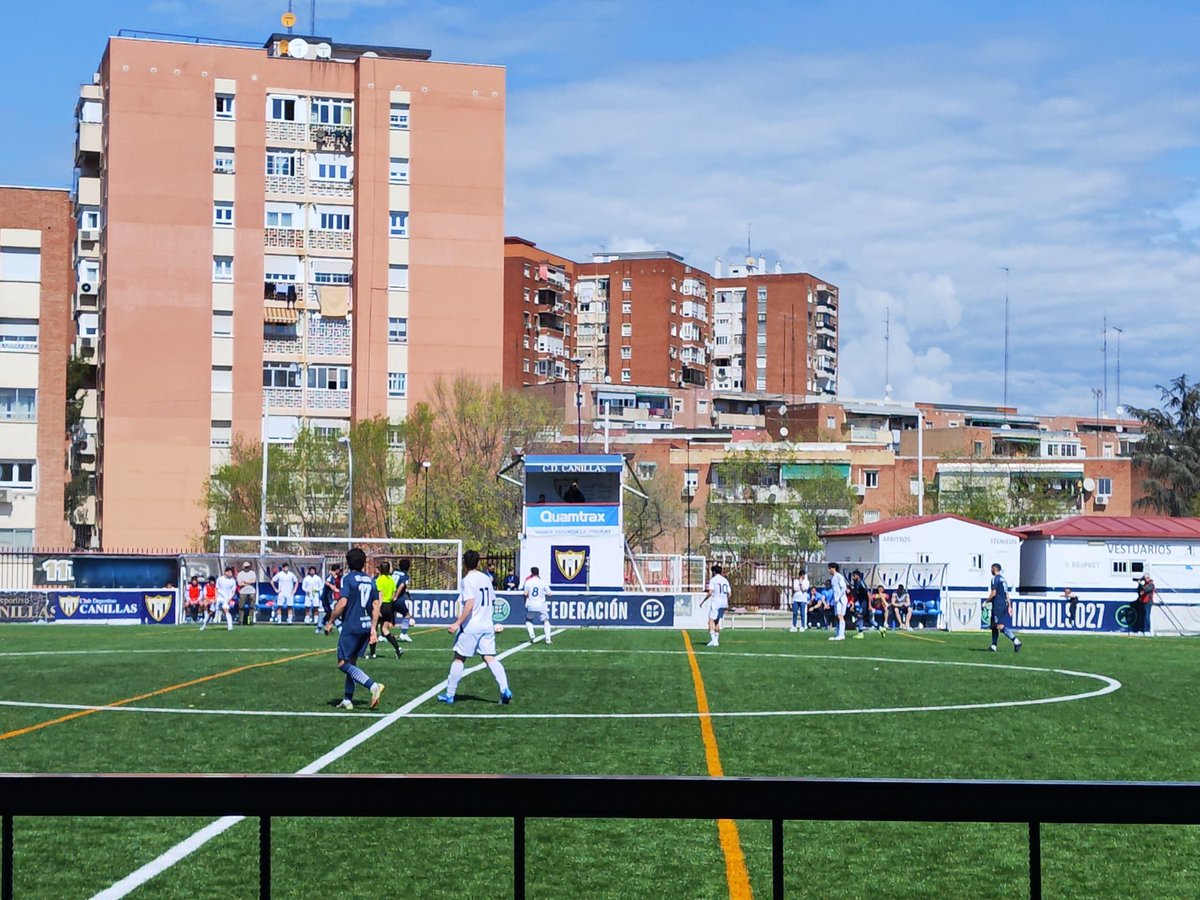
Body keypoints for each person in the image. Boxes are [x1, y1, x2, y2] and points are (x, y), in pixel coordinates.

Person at [437, 549, 512, 705]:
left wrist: (457, 623)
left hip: (471, 626)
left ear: (464, 563)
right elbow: (492, 600)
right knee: (489, 657)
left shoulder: (467, 580)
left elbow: (470, 603)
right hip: (487, 625)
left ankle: (450, 694)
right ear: (478, 562)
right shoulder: (486, 578)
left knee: (459, 658)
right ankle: (505, 688)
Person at [324, 547, 385, 710]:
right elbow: (376, 604)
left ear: (348, 562)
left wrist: (330, 621)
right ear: (363, 563)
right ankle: (347, 699)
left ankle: (373, 686)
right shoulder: (370, 580)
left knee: (343, 664)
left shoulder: (348, 579)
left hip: (352, 626)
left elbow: (342, 603)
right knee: (352, 663)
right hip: (365, 626)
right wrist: (373, 629)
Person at [370, 560, 403, 659]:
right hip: (389, 606)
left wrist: (378, 609)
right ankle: (398, 648)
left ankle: (372, 653)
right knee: (385, 629)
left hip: (381, 605)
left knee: (374, 628)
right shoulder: (391, 580)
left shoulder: (379, 580)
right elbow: (393, 595)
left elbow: (379, 595)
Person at [987, 562, 1022, 652]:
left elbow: (994, 593)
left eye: (991, 569)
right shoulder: (1003, 579)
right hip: (1003, 604)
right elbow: (1007, 594)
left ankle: (1016, 641)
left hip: (998, 605)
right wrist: (1009, 606)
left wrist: (986, 601)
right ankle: (993, 646)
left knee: (1000, 626)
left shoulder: (995, 579)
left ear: (994, 569)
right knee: (994, 625)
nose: (991, 571)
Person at [700, 563, 731, 647]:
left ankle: (714, 640)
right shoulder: (725, 580)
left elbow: (710, 592)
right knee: (717, 621)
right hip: (723, 603)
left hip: (716, 602)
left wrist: (703, 601)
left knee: (710, 621)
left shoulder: (713, 580)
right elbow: (729, 593)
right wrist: (726, 602)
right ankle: (715, 640)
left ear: (714, 572)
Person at [523, 566, 553, 644]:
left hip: (531, 604)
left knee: (528, 620)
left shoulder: (528, 582)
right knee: (545, 620)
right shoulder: (542, 582)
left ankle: (532, 634)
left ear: (531, 573)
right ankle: (548, 638)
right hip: (541, 604)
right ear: (538, 573)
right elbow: (549, 593)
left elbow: (525, 593)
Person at [202, 565, 236, 632]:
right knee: (211, 612)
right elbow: (216, 589)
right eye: (230, 572)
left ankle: (230, 626)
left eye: (231, 572)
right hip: (219, 598)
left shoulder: (233, 581)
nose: (231, 574)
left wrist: (229, 599)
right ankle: (204, 624)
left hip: (226, 599)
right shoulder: (220, 579)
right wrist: (215, 598)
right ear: (226, 572)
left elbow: (233, 591)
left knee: (226, 610)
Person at [317, 564, 342, 634]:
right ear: (336, 570)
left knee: (329, 613)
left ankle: (319, 627)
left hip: (329, 598)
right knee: (332, 613)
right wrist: (332, 586)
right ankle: (340, 628)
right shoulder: (330, 575)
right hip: (326, 598)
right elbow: (326, 582)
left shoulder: (335, 577)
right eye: (339, 570)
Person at [394, 558, 414, 642]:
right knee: (407, 615)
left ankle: (382, 635)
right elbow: (402, 585)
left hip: (388, 597)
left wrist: (407, 594)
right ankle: (404, 634)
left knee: (387, 617)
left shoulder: (394, 572)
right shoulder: (405, 576)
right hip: (398, 599)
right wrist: (396, 596)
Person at [828, 563, 848, 641]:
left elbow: (844, 588)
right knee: (837, 616)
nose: (829, 570)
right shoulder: (833, 578)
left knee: (840, 616)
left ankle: (841, 635)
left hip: (841, 600)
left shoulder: (839, 576)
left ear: (833, 568)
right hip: (836, 600)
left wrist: (838, 597)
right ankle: (838, 634)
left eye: (829, 568)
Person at [849, 570, 870, 639]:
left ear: (858, 576)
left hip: (864, 602)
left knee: (860, 616)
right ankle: (881, 628)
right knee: (864, 617)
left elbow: (868, 594)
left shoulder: (861, 583)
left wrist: (869, 605)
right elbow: (855, 595)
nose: (853, 577)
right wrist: (853, 603)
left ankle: (860, 633)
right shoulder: (856, 584)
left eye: (854, 576)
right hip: (860, 602)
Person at [236, 561, 258, 626]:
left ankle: (250, 621)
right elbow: (239, 584)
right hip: (243, 592)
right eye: (246, 567)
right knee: (241, 607)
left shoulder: (252, 573)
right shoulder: (240, 574)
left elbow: (253, 581)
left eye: (248, 567)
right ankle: (241, 621)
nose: (247, 568)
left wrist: (245, 582)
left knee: (251, 607)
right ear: (243, 567)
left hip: (252, 592)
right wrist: (249, 582)